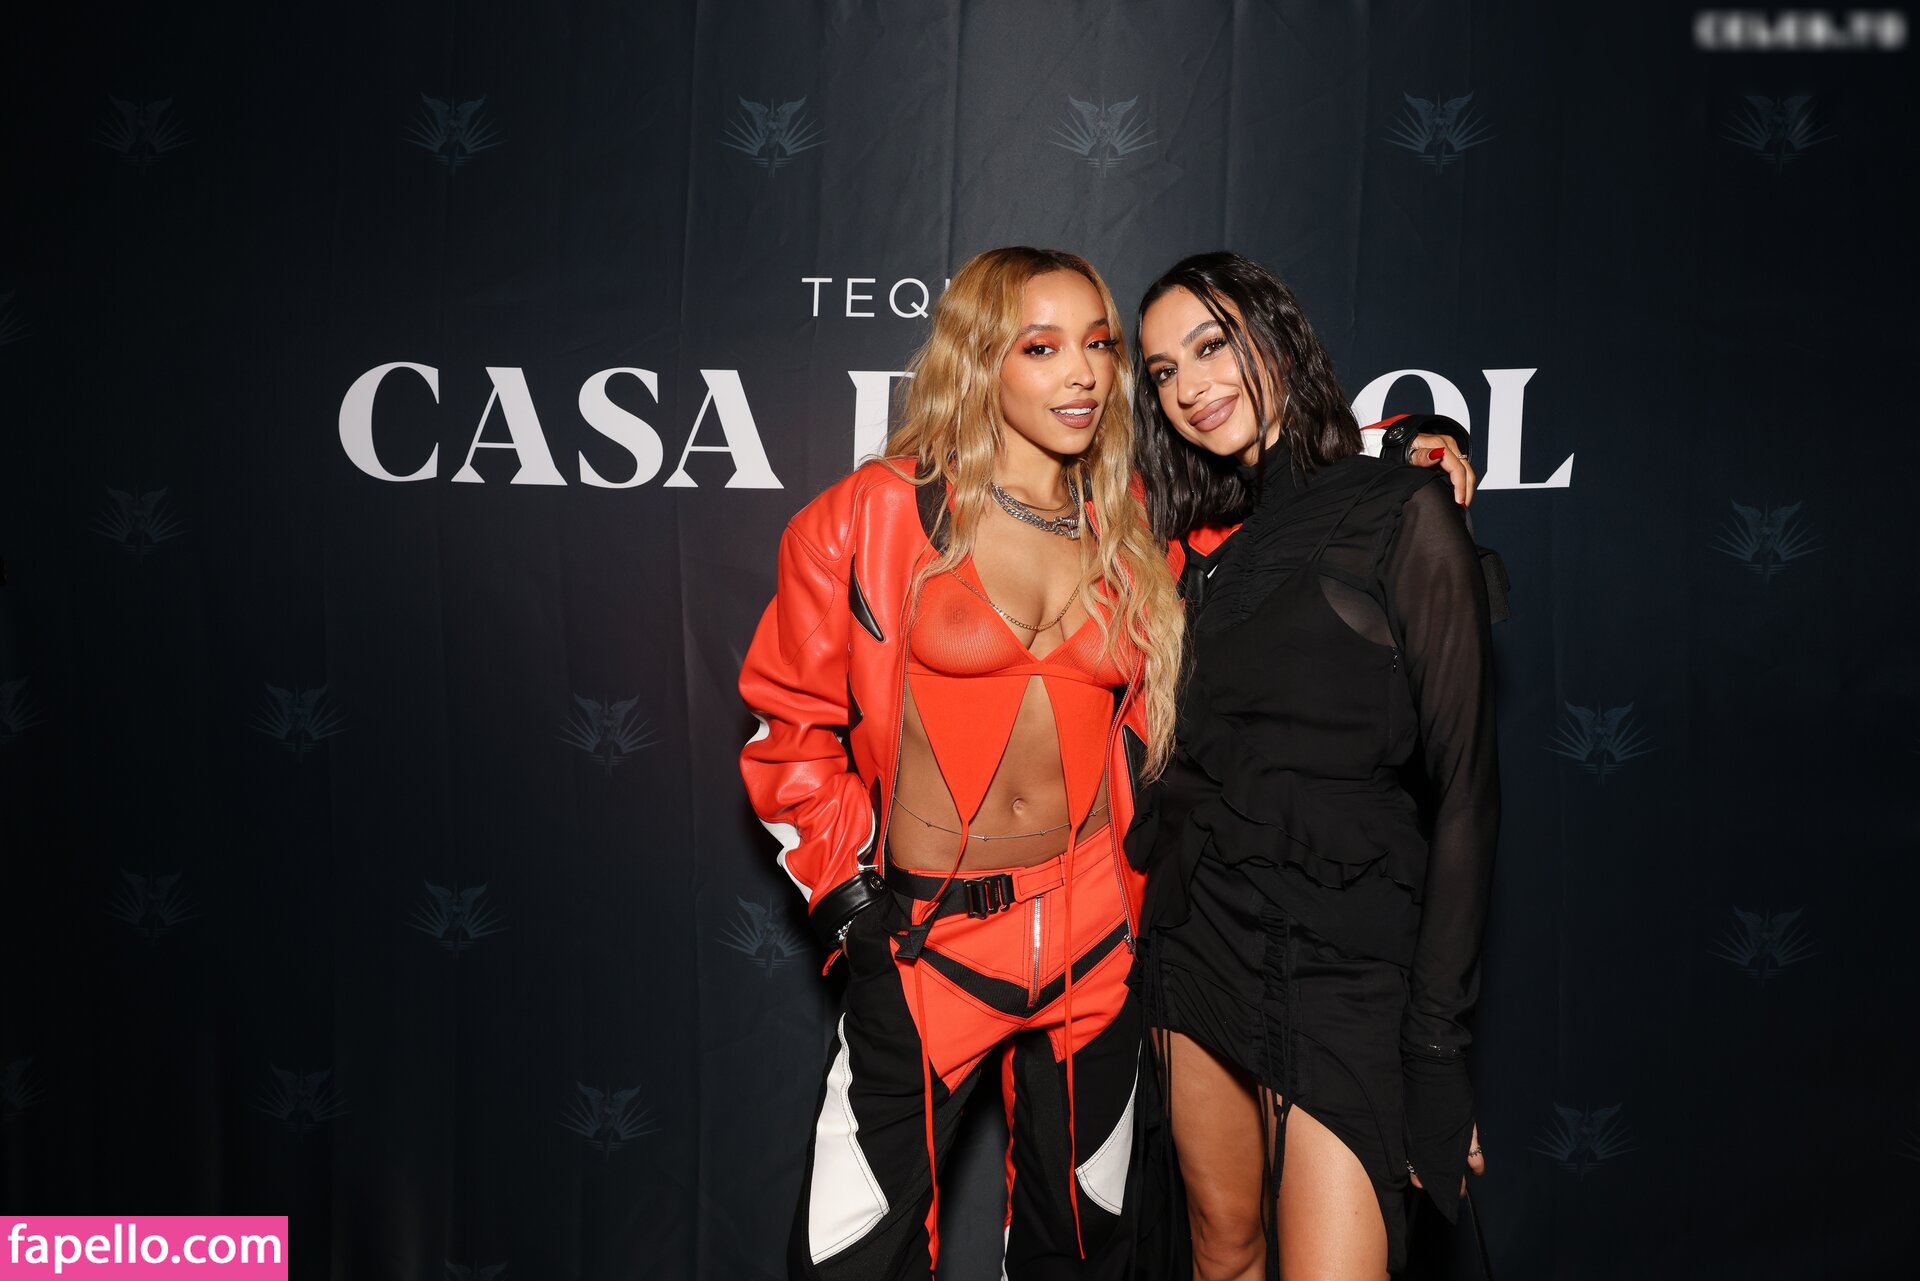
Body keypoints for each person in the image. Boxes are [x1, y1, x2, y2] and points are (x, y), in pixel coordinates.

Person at [739, 246, 1186, 1280]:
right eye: (1042, 347)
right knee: (857, 1256)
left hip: (1094, 941)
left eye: (1099, 346)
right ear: (981, 359)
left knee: (1085, 1246)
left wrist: (1414, 442)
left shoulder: (1133, 526)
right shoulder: (870, 516)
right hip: (931, 941)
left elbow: (1277, 483)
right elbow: (786, 726)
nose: (1083, 373)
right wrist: (848, 903)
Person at [1130, 251, 1498, 1281]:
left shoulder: (1403, 508)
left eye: (1211, 345)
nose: (1191, 385)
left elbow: (1467, 797)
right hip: (1198, 935)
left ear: (1277, 335)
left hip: (1346, 959)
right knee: (1222, 1251)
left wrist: (1436, 1048)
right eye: (1163, 372)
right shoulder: (1199, 544)